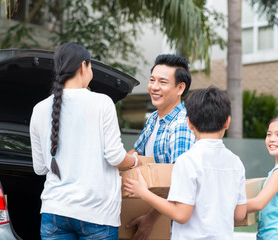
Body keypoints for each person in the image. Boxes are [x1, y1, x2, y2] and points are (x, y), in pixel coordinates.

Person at [29, 42, 141, 240]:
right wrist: (134, 160)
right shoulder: (102, 102)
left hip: (54, 210)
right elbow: (115, 157)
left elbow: (40, 168)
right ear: (83, 66)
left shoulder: (39, 109)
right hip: (96, 213)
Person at [124, 87, 247, 240]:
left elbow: (181, 215)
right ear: (227, 122)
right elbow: (240, 214)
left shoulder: (187, 161)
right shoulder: (236, 163)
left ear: (189, 123)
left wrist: (144, 193)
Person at [126, 54, 196, 239]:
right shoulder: (154, 119)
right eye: (152, 80)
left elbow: (179, 180)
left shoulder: (181, 124)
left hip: (169, 224)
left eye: (163, 82)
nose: (154, 87)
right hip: (147, 210)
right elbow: (136, 153)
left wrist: (151, 219)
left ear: (180, 87)